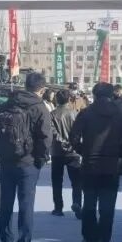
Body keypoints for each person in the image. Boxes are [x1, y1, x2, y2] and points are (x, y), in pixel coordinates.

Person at [0, 72, 53, 242]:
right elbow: (46, 137)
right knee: (26, 205)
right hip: (28, 163)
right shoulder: (39, 107)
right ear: (41, 89)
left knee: (5, 203)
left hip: (6, 161)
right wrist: (41, 159)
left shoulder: (8, 103)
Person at [70, 82, 122, 242]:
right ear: (112, 95)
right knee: (107, 208)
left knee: (89, 206)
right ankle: (102, 241)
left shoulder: (86, 113)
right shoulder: (121, 116)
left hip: (90, 166)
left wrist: (84, 151)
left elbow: (73, 137)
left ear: (95, 95)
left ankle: (89, 240)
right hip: (111, 168)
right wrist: (119, 155)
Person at [50, 89, 82, 218]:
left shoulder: (52, 114)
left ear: (56, 100)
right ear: (69, 99)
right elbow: (78, 133)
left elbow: (51, 131)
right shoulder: (75, 114)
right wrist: (72, 143)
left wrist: (61, 141)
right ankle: (77, 203)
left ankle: (58, 208)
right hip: (73, 152)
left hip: (57, 152)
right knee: (77, 181)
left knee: (57, 182)